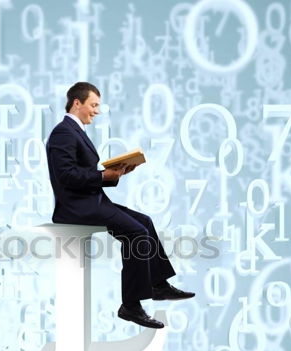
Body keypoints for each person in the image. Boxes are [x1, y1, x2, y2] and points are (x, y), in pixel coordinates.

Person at [46, 82, 194, 329]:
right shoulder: (64, 132)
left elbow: (80, 173)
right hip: (76, 208)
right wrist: (103, 177)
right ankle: (131, 306)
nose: (97, 111)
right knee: (137, 233)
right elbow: (66, 176)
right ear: (77, 103)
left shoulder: (74, 131)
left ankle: (157, 285)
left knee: (144, 221)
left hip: (91, 201)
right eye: (93, 105)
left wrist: (117, 172)